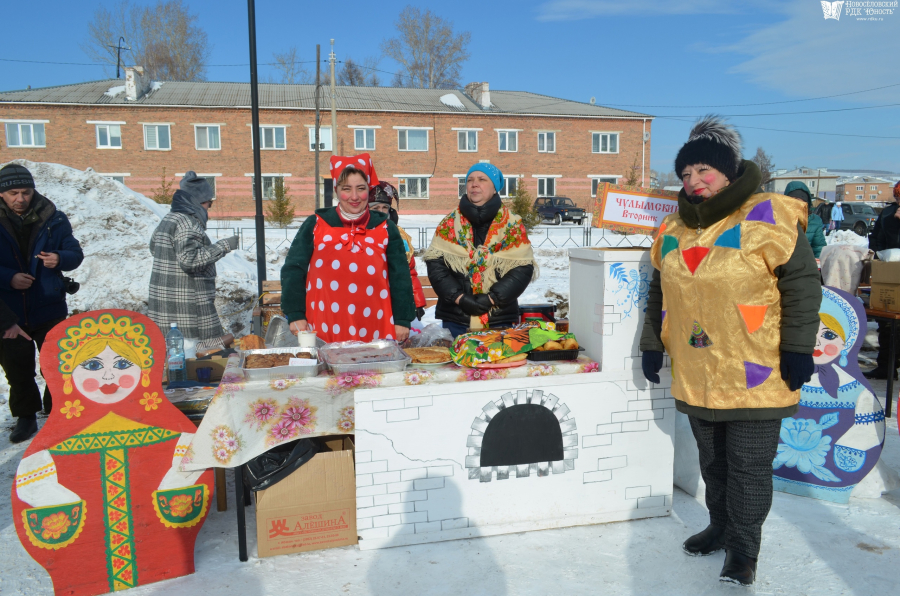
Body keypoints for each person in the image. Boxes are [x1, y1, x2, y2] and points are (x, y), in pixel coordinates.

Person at [639, 116, 820, 586]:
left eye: (703, 170)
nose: (693, 182)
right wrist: (650, 343)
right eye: (684, 174)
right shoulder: (673, 228)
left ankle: (744, 549)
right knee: (712, 460)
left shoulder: (771, 216)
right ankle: (719, 526)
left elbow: (801, 285)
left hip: (758, 367)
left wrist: (799, 348)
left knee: (749, 464)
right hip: (699, 367)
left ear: (729, 170)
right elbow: (659, 292)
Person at [12, 312, 211, 595]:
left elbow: (191, 462)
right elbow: (32, 485)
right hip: (79, 563)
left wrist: (174, 481)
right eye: (92, 365)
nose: (108, 375)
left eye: (123, 364)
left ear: (144, 369)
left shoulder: (169, 431)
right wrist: (59, 498)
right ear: (67, 375)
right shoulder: (53, 445)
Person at [281, 154, 415, 343]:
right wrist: (295, 313)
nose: (354, 197)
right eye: (346, 189)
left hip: (375, 324)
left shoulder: (385, 227)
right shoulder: (316, 224)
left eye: (360, 189)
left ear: (368, 190)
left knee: (372, 371)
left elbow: (400, 275)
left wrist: (402, 319)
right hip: (323, 324)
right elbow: (293, 269)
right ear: (336, 190)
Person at [0, 163, 84, 443]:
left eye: (25, 192)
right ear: (2, 194)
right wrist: (9, 278)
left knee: (57, 362)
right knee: (17, 366)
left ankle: (57, 408)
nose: (20, 198)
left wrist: (60, 258)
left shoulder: (54, 218)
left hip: (48, 303)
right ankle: (25, 417)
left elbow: (75, 253)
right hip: (8, 309)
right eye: (13, 193)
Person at [423, 163, 537, 338]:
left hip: (499, 319)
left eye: (482, 179)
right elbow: (436, 266)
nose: (474, 184)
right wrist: (460, 298)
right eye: (470, 180)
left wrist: (492, 299)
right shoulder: (449, 224)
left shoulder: (512, 225)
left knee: (499, 365)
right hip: (455, 319)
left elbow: (522, 269)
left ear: (494, 188)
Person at [148, 172, 239, 350]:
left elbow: (154, 247)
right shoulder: (188, 223)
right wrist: (224, 246)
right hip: (188, 306)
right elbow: (189, 260)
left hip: (166, 305)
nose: (208, 209)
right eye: (208, 204)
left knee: (172, 353)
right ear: (196, 202)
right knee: (198, 353)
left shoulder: (169, 219)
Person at [368, 181, 427, 320]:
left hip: (394, 303)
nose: (381, 212)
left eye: (385, 208)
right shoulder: (359, 234)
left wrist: (417, 302)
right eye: (376, 208)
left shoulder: (399, 236)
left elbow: (409, 272)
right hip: (368, 301)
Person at [865, 180, 900, 379]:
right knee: (887, 321)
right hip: (889, 274)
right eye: (898, 196)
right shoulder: (887, 214)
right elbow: (875, 239)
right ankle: (887, 367)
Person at [785, 181, 826, 259]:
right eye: (792, 199)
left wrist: (816, 262)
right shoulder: (778, 218)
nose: (796, 203)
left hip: (806, 265)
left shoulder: (814, 221)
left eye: (799, 200)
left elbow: (818, 247)